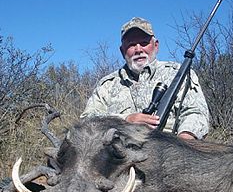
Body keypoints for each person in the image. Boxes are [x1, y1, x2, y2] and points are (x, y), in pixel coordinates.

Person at [81, 17, 209, 140]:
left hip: (169, 153)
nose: (138, 49)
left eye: (144, 43)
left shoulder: (178, 74)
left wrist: (182, 144)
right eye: (131, 44)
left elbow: (196, 113)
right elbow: (87, 121)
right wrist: (125, 120)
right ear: (122, 50)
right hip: (117, 157)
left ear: (156, 46)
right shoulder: (107, 84)